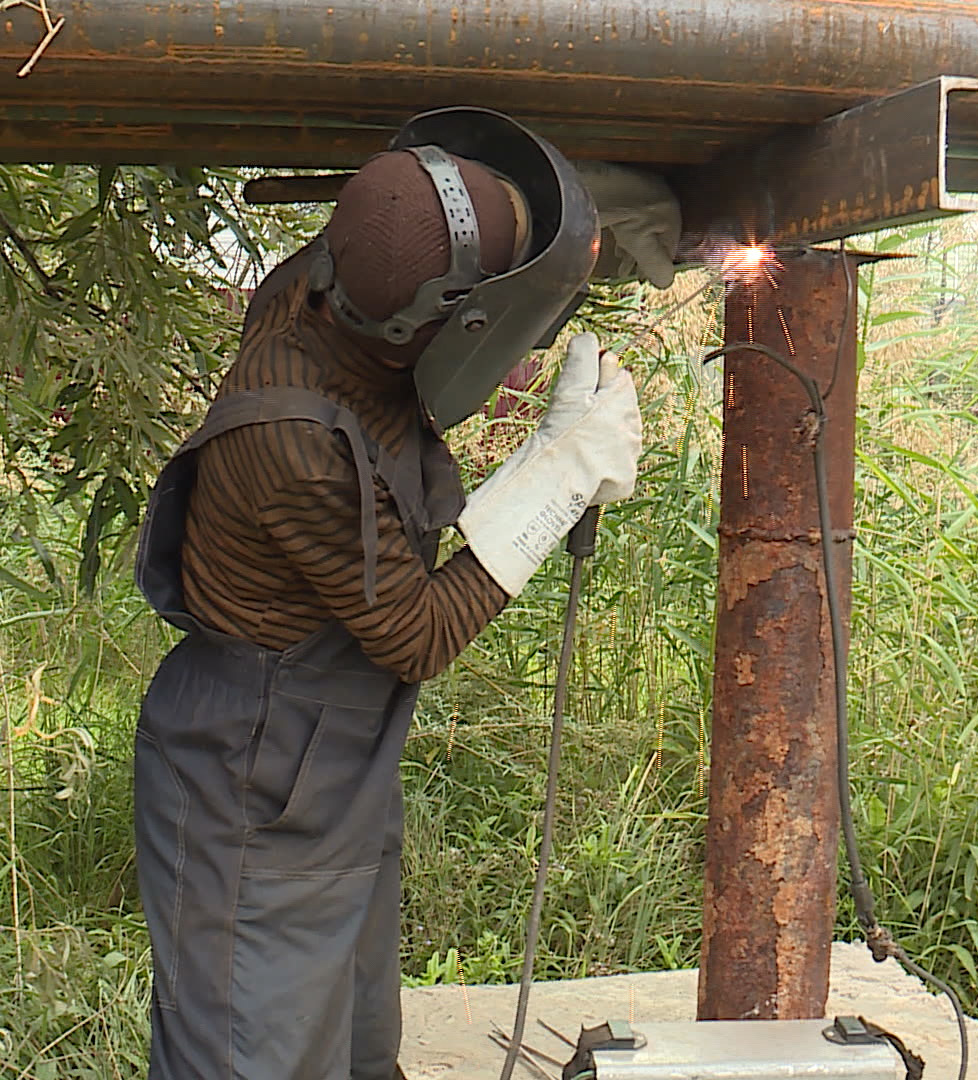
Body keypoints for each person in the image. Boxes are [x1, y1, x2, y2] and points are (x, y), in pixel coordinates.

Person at [131, 105, 671, 1080]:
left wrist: (608, 241)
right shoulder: (290, 441)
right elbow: (416, 636)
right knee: (256, 1057)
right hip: (254, 768)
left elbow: (455, 235)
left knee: (355, 1040)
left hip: (332, 753)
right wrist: (552, 478)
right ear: (443, 322)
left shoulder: (335, 274)